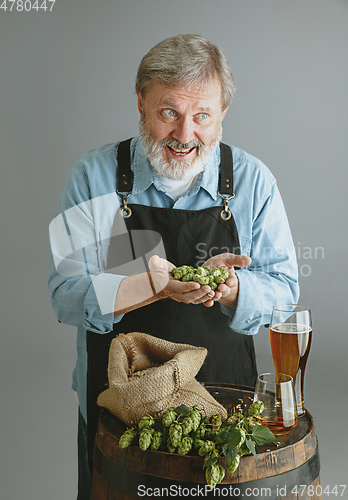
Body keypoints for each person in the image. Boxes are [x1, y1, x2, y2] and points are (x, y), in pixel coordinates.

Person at [48, 34, 299, 498]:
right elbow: (65, 296)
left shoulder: (253, 181)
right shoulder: (93, 176)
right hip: (122, 409)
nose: (185, 135)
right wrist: (149, 285)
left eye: (202, 115)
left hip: (223, 413)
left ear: (223, 113)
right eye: (169, 112)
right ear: (141, 102)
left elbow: (284, 288)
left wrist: (232, 288)